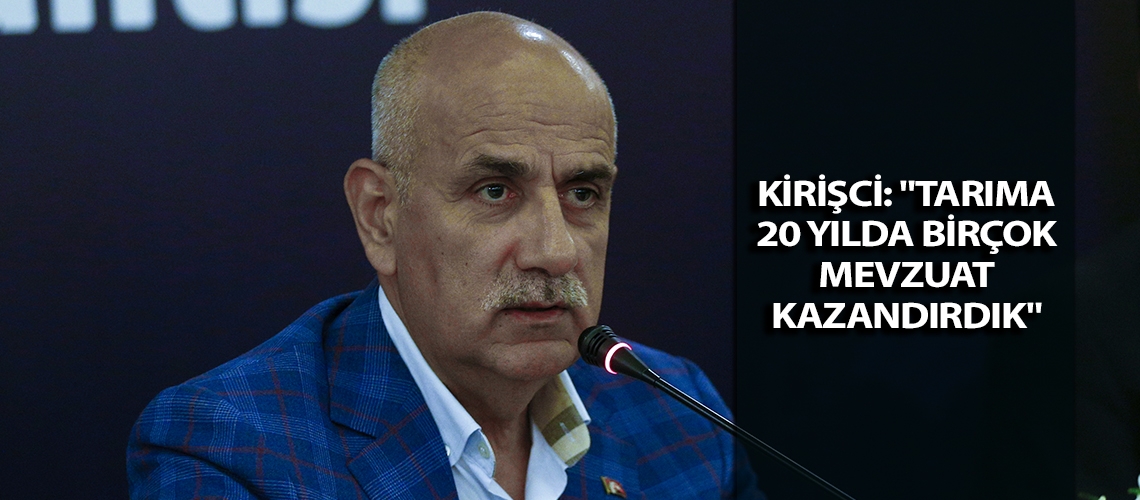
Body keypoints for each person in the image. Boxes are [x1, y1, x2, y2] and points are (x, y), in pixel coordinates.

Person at [128, 11, 761, 499]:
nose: (555, 251)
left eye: (582, 193)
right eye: (495, 191)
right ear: (379, 215)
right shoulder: (233, 449)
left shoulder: (678, 414)